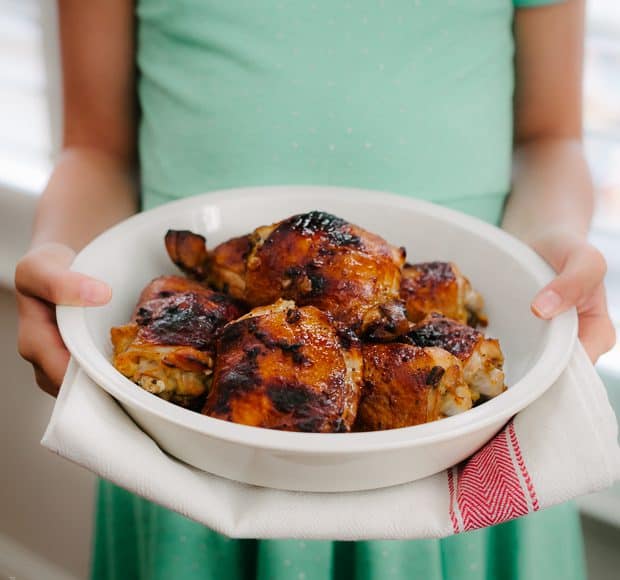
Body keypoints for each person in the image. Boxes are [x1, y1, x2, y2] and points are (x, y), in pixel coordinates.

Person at [15, 1, 615, 579]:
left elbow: (550, 139)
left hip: (471, 460)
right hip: (187, 459)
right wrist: (68, 260)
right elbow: (95, 148)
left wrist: (548, 249)